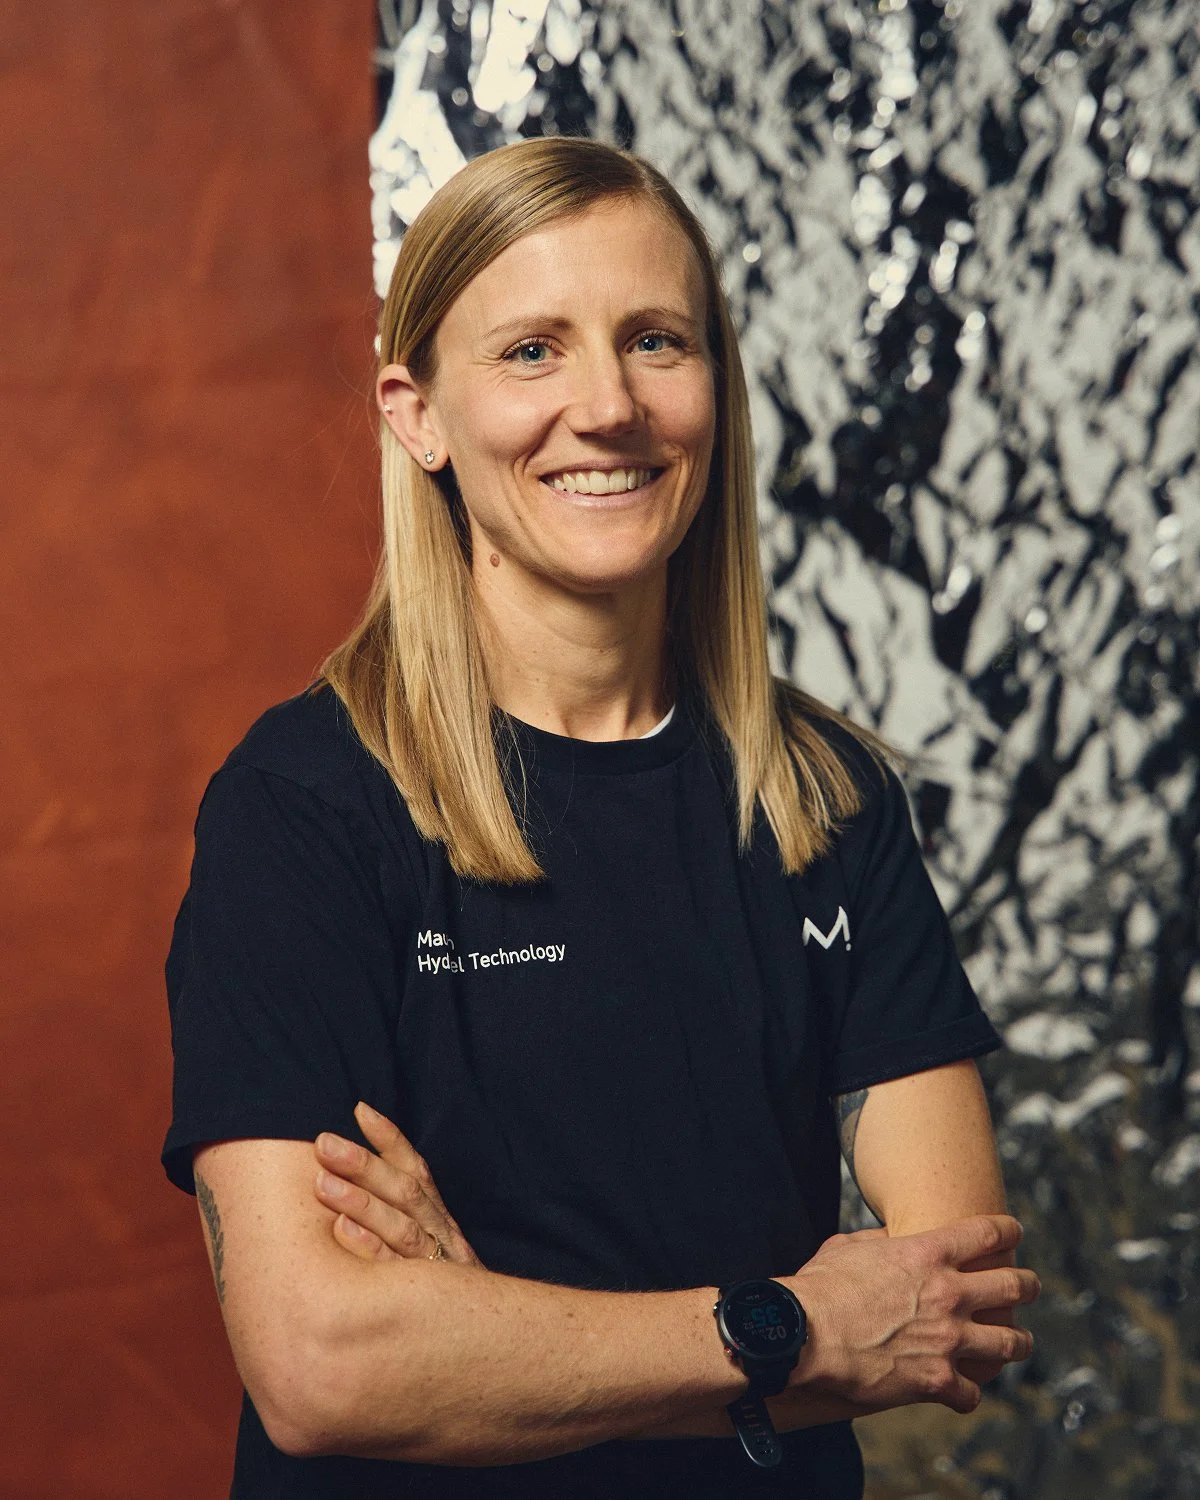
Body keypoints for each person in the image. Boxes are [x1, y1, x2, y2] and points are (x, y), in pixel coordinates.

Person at [162, 137, 1039, 1499]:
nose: (609, 405)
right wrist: (787, 1330)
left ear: (714, 388)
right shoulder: (301, 813)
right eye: (533, 351)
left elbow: (949, 1315)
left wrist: (485, 1337)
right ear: (417, 415)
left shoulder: (826, 800)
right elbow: (323, 1369)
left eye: (655, 341)